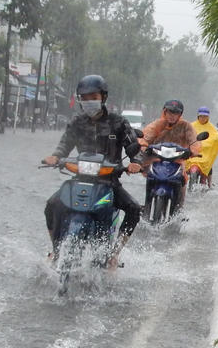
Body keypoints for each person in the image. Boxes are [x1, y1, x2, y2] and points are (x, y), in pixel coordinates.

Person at [41, 73, 143, 269]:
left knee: (133, 209)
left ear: (103, 97)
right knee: (52, 205)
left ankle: (114, 254)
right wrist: (55, 157)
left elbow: (133, 147)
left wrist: (135, 162)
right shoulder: (77, 122)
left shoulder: (119, 122)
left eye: (93, 97)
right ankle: (56, 250)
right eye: (84, 98)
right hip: (80, 179)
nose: (89, 102)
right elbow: (64, 145)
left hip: (109, 182)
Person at [138, 99, 204, 216]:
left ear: (180, 115)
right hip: (157, 160)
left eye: (175, 113)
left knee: (182, 184)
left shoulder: (186, 126)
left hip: (177, 161)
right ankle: (146, 206)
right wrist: (144, 146)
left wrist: (192, 151)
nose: (172, 116)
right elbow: (145, 136)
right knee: (150, 177)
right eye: (169, 112)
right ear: (164, 112)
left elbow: (194, 141)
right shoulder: (158, 124)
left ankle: (178, 212)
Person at [187, 106, 218, 189]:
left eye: (205, 116)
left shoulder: (211, 127)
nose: (203, 118)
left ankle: (209, 183)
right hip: (193, 152)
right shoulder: (191, 125)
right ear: (198, 116)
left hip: (205, 152)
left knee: (209, 164)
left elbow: (215, 135)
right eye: (201, 116)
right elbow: (186, 135)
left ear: (208, 117)